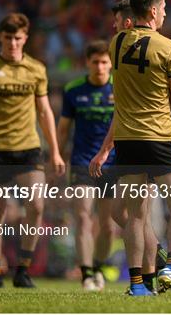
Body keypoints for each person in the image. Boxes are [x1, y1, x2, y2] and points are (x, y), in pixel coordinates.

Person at [90, 0, 171, 296]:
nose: (165, 13)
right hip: (159, 137)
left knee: (136, 215)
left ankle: (137, 285)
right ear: (152, 11)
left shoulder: (116, 43)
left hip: (127, 140)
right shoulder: (169, 48)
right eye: (163, 8)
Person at [0, 13, 65, 288]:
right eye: (8, 38)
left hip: (28, 148)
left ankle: (23, 269)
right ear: (0, 37)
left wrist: (54, 150)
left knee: (37, 205)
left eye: (18, 38)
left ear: (25, 38)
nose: (13, 43)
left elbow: (44, 111)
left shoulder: (36, 69)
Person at [89, 0, 169, 294]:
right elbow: (120, 111)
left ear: (127, 24)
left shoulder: (136, 57)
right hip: (128, 145)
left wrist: (105, 149)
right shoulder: (125, 59)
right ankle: (157, 259)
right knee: (124, 213)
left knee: (138, 214)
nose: (112, 28)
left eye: (116, 22)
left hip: (146, 143)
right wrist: (107, 149)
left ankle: (151, 275)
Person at [57, 40, 119, 291]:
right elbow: (63, 128)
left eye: (105, 62)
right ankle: (85, 275)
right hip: (82, 162)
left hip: (112, 164)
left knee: (107, 226)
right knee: (82, 218)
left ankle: (97, 265)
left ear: (111, 64)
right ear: (87, 63)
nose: (100, 67)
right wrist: (57, 157)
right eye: (96, 62)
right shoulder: (73, 90)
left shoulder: (120, 88)